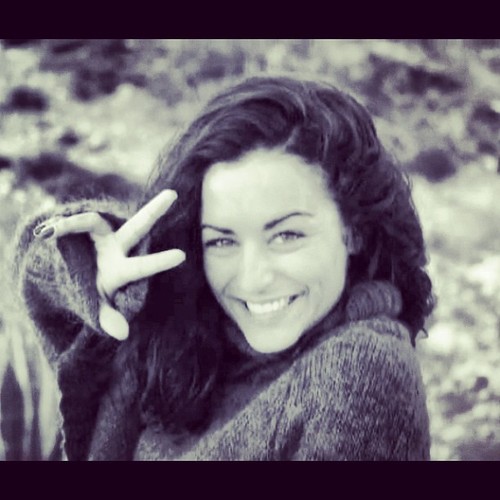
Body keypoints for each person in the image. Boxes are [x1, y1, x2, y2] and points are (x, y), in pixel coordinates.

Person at [14, 75, 435, 461]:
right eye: (222, 240)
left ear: (354, 229)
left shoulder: (361, 368)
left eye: (286, 235)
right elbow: (34, 269)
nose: (253, 278)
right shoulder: (189, 330)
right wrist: (91, 273)